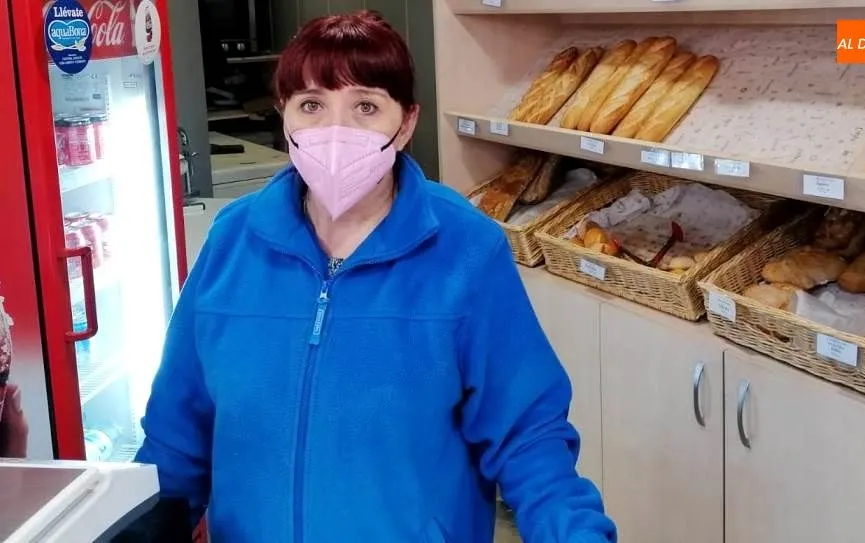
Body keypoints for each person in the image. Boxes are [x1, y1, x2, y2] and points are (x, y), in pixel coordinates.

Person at [125, 9, 616, 543]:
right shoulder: (232, 242)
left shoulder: (466, 250)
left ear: (405, 124)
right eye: (312, 105)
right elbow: (176, 436)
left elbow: (528, 437)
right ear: (283, 116)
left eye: (365, 107)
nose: (335, 132)